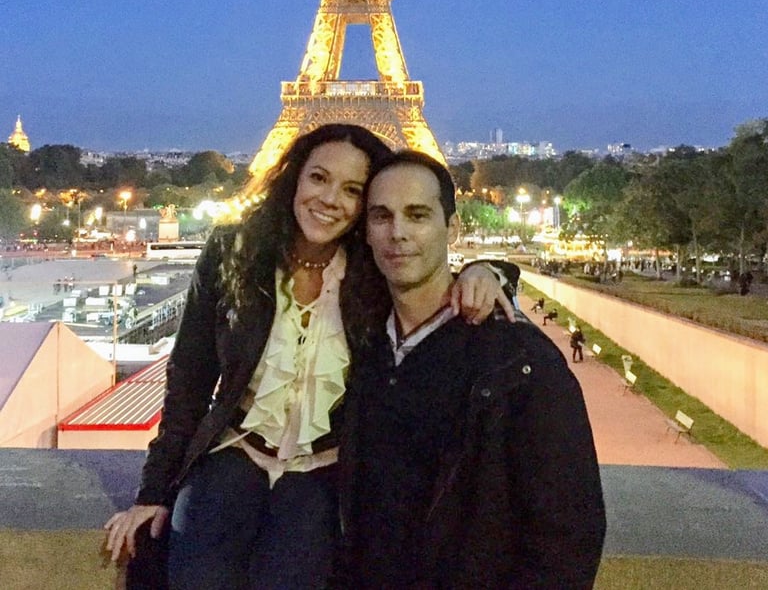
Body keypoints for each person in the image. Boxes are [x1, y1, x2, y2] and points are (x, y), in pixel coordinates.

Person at [104, 125, 512, 590]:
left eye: (353, 190)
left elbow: (435, 273)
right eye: (319, 178)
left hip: (324, 469)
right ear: (295, 178)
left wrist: (491, 270)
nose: (330, 198)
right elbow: (190, 381)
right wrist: (151, 493)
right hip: (233, 454)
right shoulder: (230, 253)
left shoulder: (373, 269)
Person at [333, 150, 606, 589]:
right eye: (382, 216)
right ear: (365, 231)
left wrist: (489, 271)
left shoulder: (520, 362)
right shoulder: (359, 343)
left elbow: (567, 538)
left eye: (417, 215)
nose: (398, 233)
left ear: (452, 228)